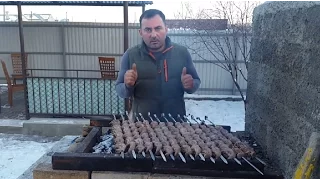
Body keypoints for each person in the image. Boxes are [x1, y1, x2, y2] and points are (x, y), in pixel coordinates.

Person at [115, 9, 201, 121]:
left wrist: (191, 85)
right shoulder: (131, 55)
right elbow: (120, 89)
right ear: (140, 32)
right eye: (148, 30)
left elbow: (196, 81)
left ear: (166, 29)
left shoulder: (182, 53)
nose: (153, 35)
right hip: (141, 126)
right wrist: (127, 86)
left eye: (158, 28)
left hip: (176, 124)